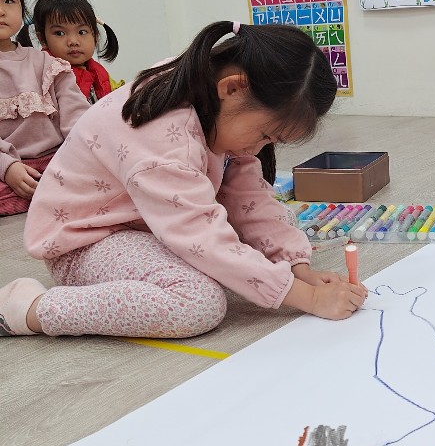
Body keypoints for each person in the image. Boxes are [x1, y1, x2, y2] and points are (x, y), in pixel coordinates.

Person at [0, 20, 365, 338]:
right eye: (265, 135)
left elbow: (248, 196)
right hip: (84, 243)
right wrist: (307, 297)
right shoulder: (162, 134)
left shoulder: (211, 95)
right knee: (197, 301)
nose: (258, 149)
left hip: (143, 226)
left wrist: (297, 268)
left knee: (270, 232)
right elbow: (199, 233)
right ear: (233, 88)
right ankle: (27, 308)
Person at [0, 0, 90, 216]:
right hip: (9, 166)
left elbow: (77, 117)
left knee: (95, 172)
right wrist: (8, 167)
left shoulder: (47, 63)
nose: (2, 11)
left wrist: (81, 156)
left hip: (56, 158)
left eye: (9, 0)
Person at [20, 0, 121, 103]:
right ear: (42, 39)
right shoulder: (44, 75)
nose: (73, 41)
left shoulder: (98, 71)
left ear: (95, 36)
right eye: (60, 33)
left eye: (82, 32)